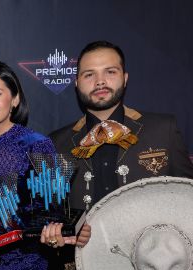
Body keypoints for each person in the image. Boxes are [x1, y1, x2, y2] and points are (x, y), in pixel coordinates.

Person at [47, 40, 193, 270]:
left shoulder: (163, 130)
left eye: (110, 71)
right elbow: (50, 218)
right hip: (84, 262)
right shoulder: (56, 143)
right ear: (76, 83)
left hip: (152, 262)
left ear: (125, 78)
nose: (100, 81)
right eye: (89, 75)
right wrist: (56, 235)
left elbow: (188, 200)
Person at [0, 61, 90, 270]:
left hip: (27, 264)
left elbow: (53, 211)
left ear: (15, 99)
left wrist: (54, 232)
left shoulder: (38, 145)